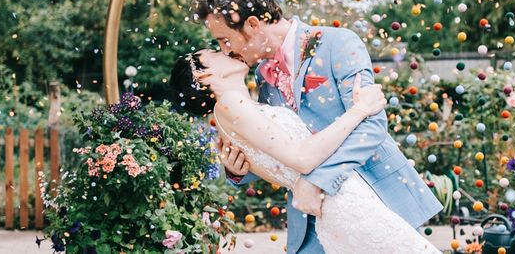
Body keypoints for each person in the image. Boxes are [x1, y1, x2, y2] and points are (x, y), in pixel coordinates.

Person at [183, 0, 442, 253]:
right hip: (309, 225)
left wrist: (318, 181)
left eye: (225, 40)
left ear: (253, 24)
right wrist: (237, 171)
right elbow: (278, 150)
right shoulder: (261, 76)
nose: (226, 51)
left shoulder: (337, 43)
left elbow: (372, 126)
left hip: (373, 204)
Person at [171, 50, 440, 253]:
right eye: (214, 53)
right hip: (340, 199)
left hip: (338, 201)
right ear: (203, 75)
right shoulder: (229, 104)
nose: (225, 50)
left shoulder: (238, 110)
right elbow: (303, 158)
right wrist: (360, 110)